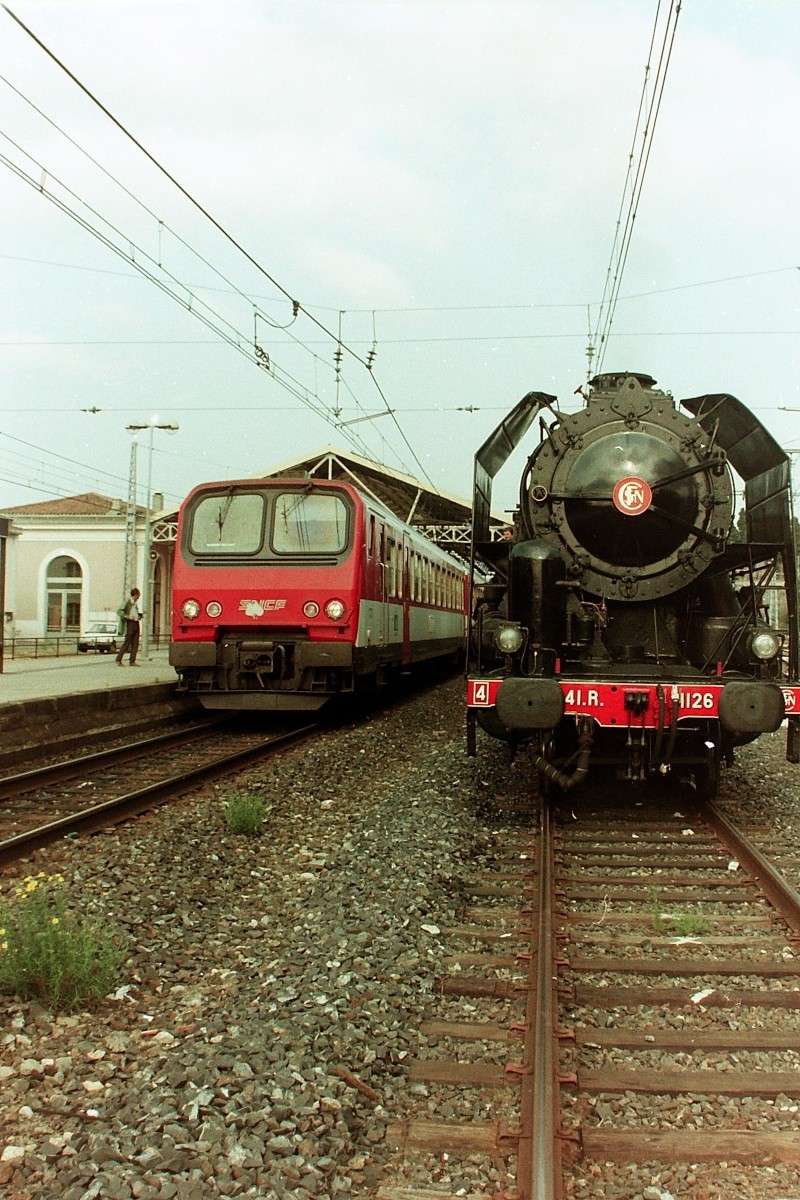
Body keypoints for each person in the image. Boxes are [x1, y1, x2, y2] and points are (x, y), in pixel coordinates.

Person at [116, 587, 142, 666]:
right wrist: (127, 616)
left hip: (136, 622)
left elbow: (135, 613)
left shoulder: (135, 604)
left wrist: (139, 616)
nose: (138, 598)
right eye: (138, 596)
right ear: (135, 595)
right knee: (127, 642)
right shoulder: (128, 601)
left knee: (135, 643)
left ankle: (132, 661)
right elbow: (119, 611)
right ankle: (118, 659)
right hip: (130, 623)